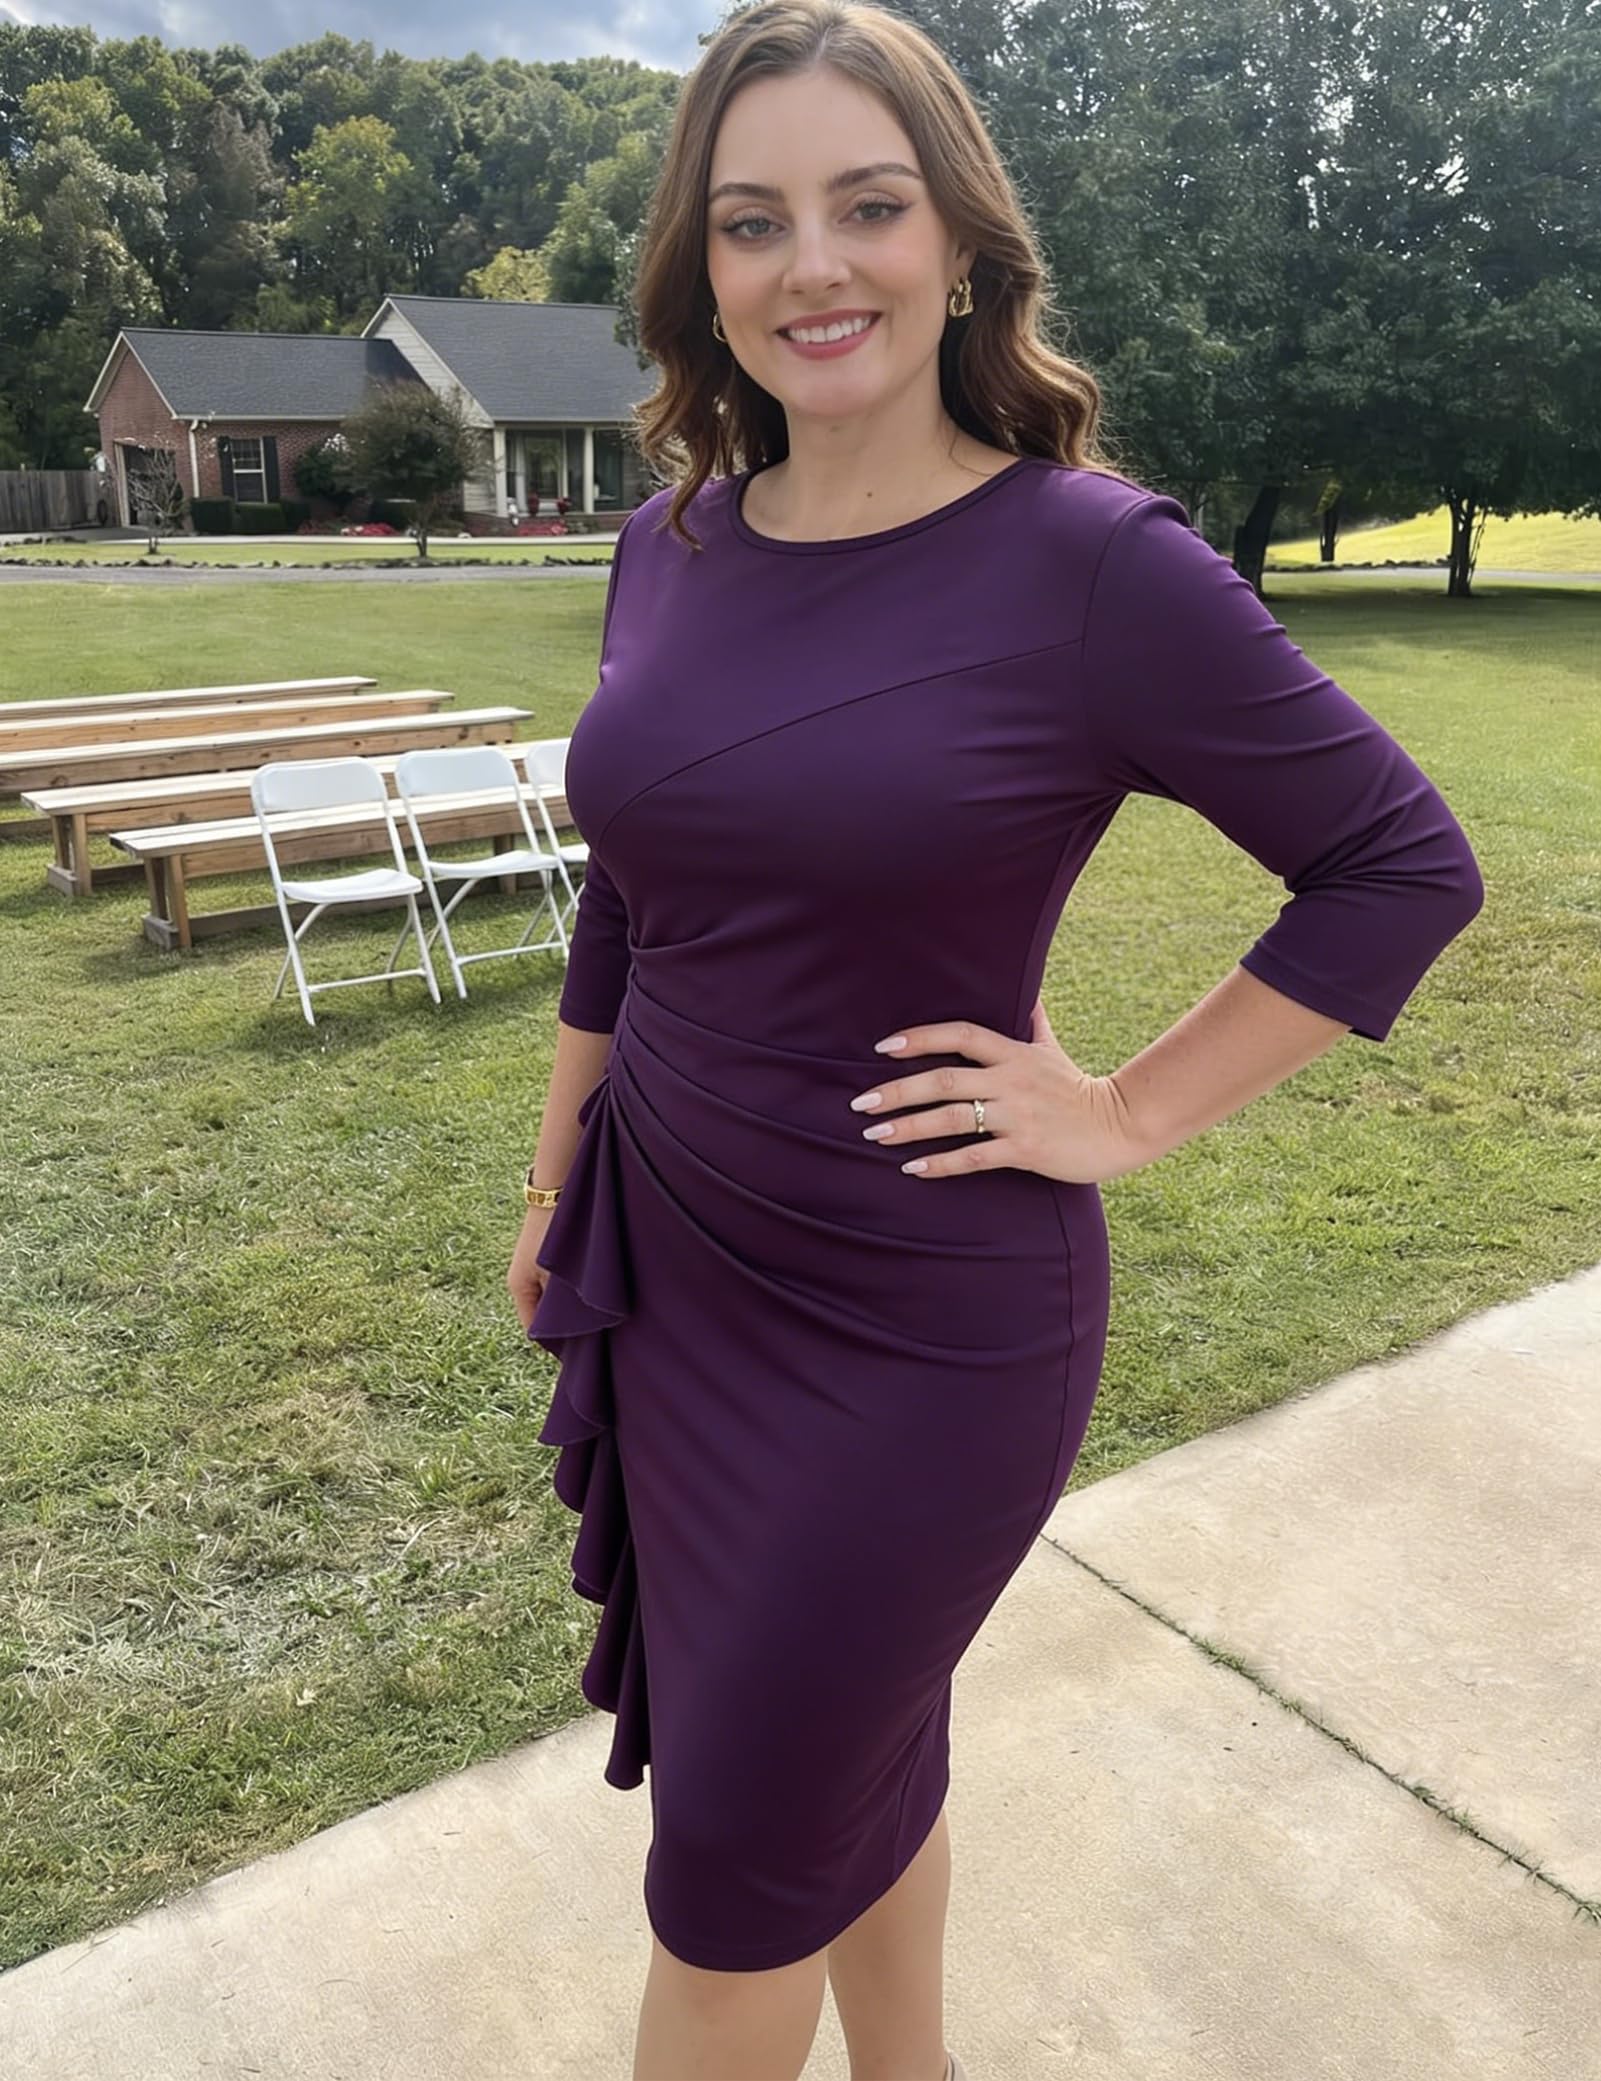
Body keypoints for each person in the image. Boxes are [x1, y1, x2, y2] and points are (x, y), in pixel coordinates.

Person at [505, 6, 1485, 2077]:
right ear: (702, 268)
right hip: (673, 1267)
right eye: (753, 221)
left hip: (916, 1323)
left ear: (959, 243)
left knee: (732, 1876)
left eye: (868, 206)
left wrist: (1122, 1107)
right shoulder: (669, 544)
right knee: (846, 1768)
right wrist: (552, 1176)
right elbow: (633, 893)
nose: (813, 266)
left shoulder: (1089, 567)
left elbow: (1397, 864)